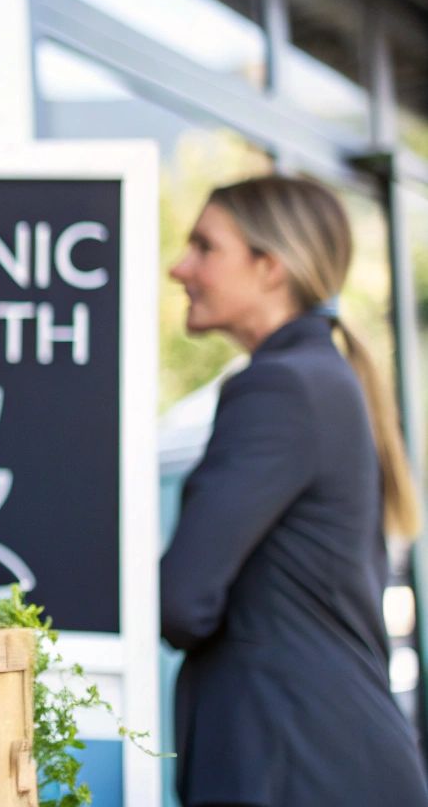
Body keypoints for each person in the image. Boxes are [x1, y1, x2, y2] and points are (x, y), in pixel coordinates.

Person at [161, 175, 427, 806]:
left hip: (293, 765)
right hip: (328, 760)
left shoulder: (279, 386)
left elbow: (182, 600)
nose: (181, 267)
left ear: (271, 267)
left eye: (205, 247)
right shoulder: (318, 376)